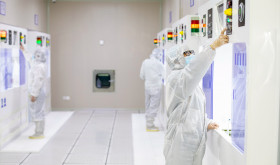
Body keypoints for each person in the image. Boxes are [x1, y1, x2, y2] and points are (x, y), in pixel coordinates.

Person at [164, 28, 229, 165]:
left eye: (191, 53)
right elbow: (195, 69)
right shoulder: (176, 79)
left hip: (190, 142)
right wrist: (212, 47)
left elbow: (191, 110)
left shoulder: (187, 82)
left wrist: (206, 123)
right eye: (186, 54)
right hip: (179, 143)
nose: (190, 56)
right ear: (177, 59)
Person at [20, 44, 47, 139]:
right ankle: (38, 132)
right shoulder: (37, 64)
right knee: (37, 111)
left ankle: (39, 133)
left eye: (36, 55)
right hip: (37, 92)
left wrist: (34, 94)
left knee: (37, 112)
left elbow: (38, 81)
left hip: (37, 92)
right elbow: (30, 60)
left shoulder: (39, 67)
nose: (35, 56)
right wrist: (24, 50)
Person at [140, 48, 165, 132]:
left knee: (148, 105)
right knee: (153, 106)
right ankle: (150, 126)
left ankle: (148, 123)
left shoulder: (145, 62)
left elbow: (141, 76)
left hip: (147, 87)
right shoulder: (159, 64)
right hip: (156, 88)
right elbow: (165, 76)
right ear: (159, 55)